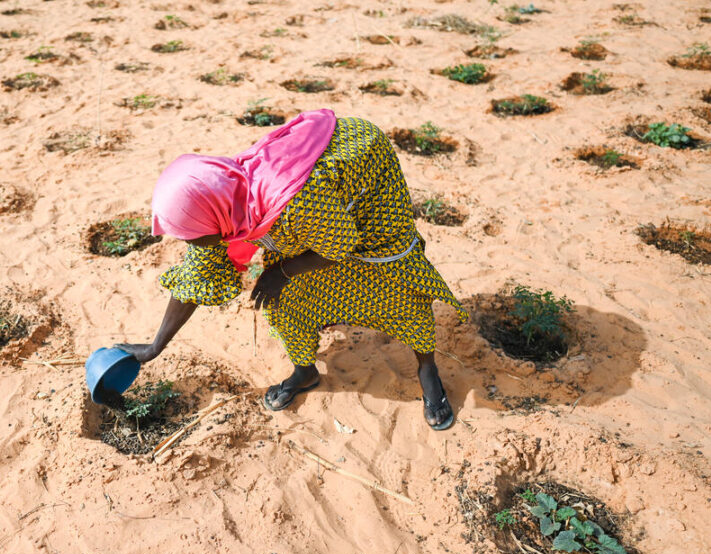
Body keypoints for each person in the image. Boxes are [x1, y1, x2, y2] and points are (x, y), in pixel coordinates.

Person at [116, 109, 468, 430]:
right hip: (314, 209)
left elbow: (341, 247)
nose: (190, 244)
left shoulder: (295, 204)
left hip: (363, 173)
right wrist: (154, 346)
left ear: (211, 219)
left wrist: (280, 271)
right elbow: (196, 278)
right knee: (285, 302)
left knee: (394, 286)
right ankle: (305, 371)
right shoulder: (227, 203)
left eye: (192, 235)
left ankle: (426, 367)